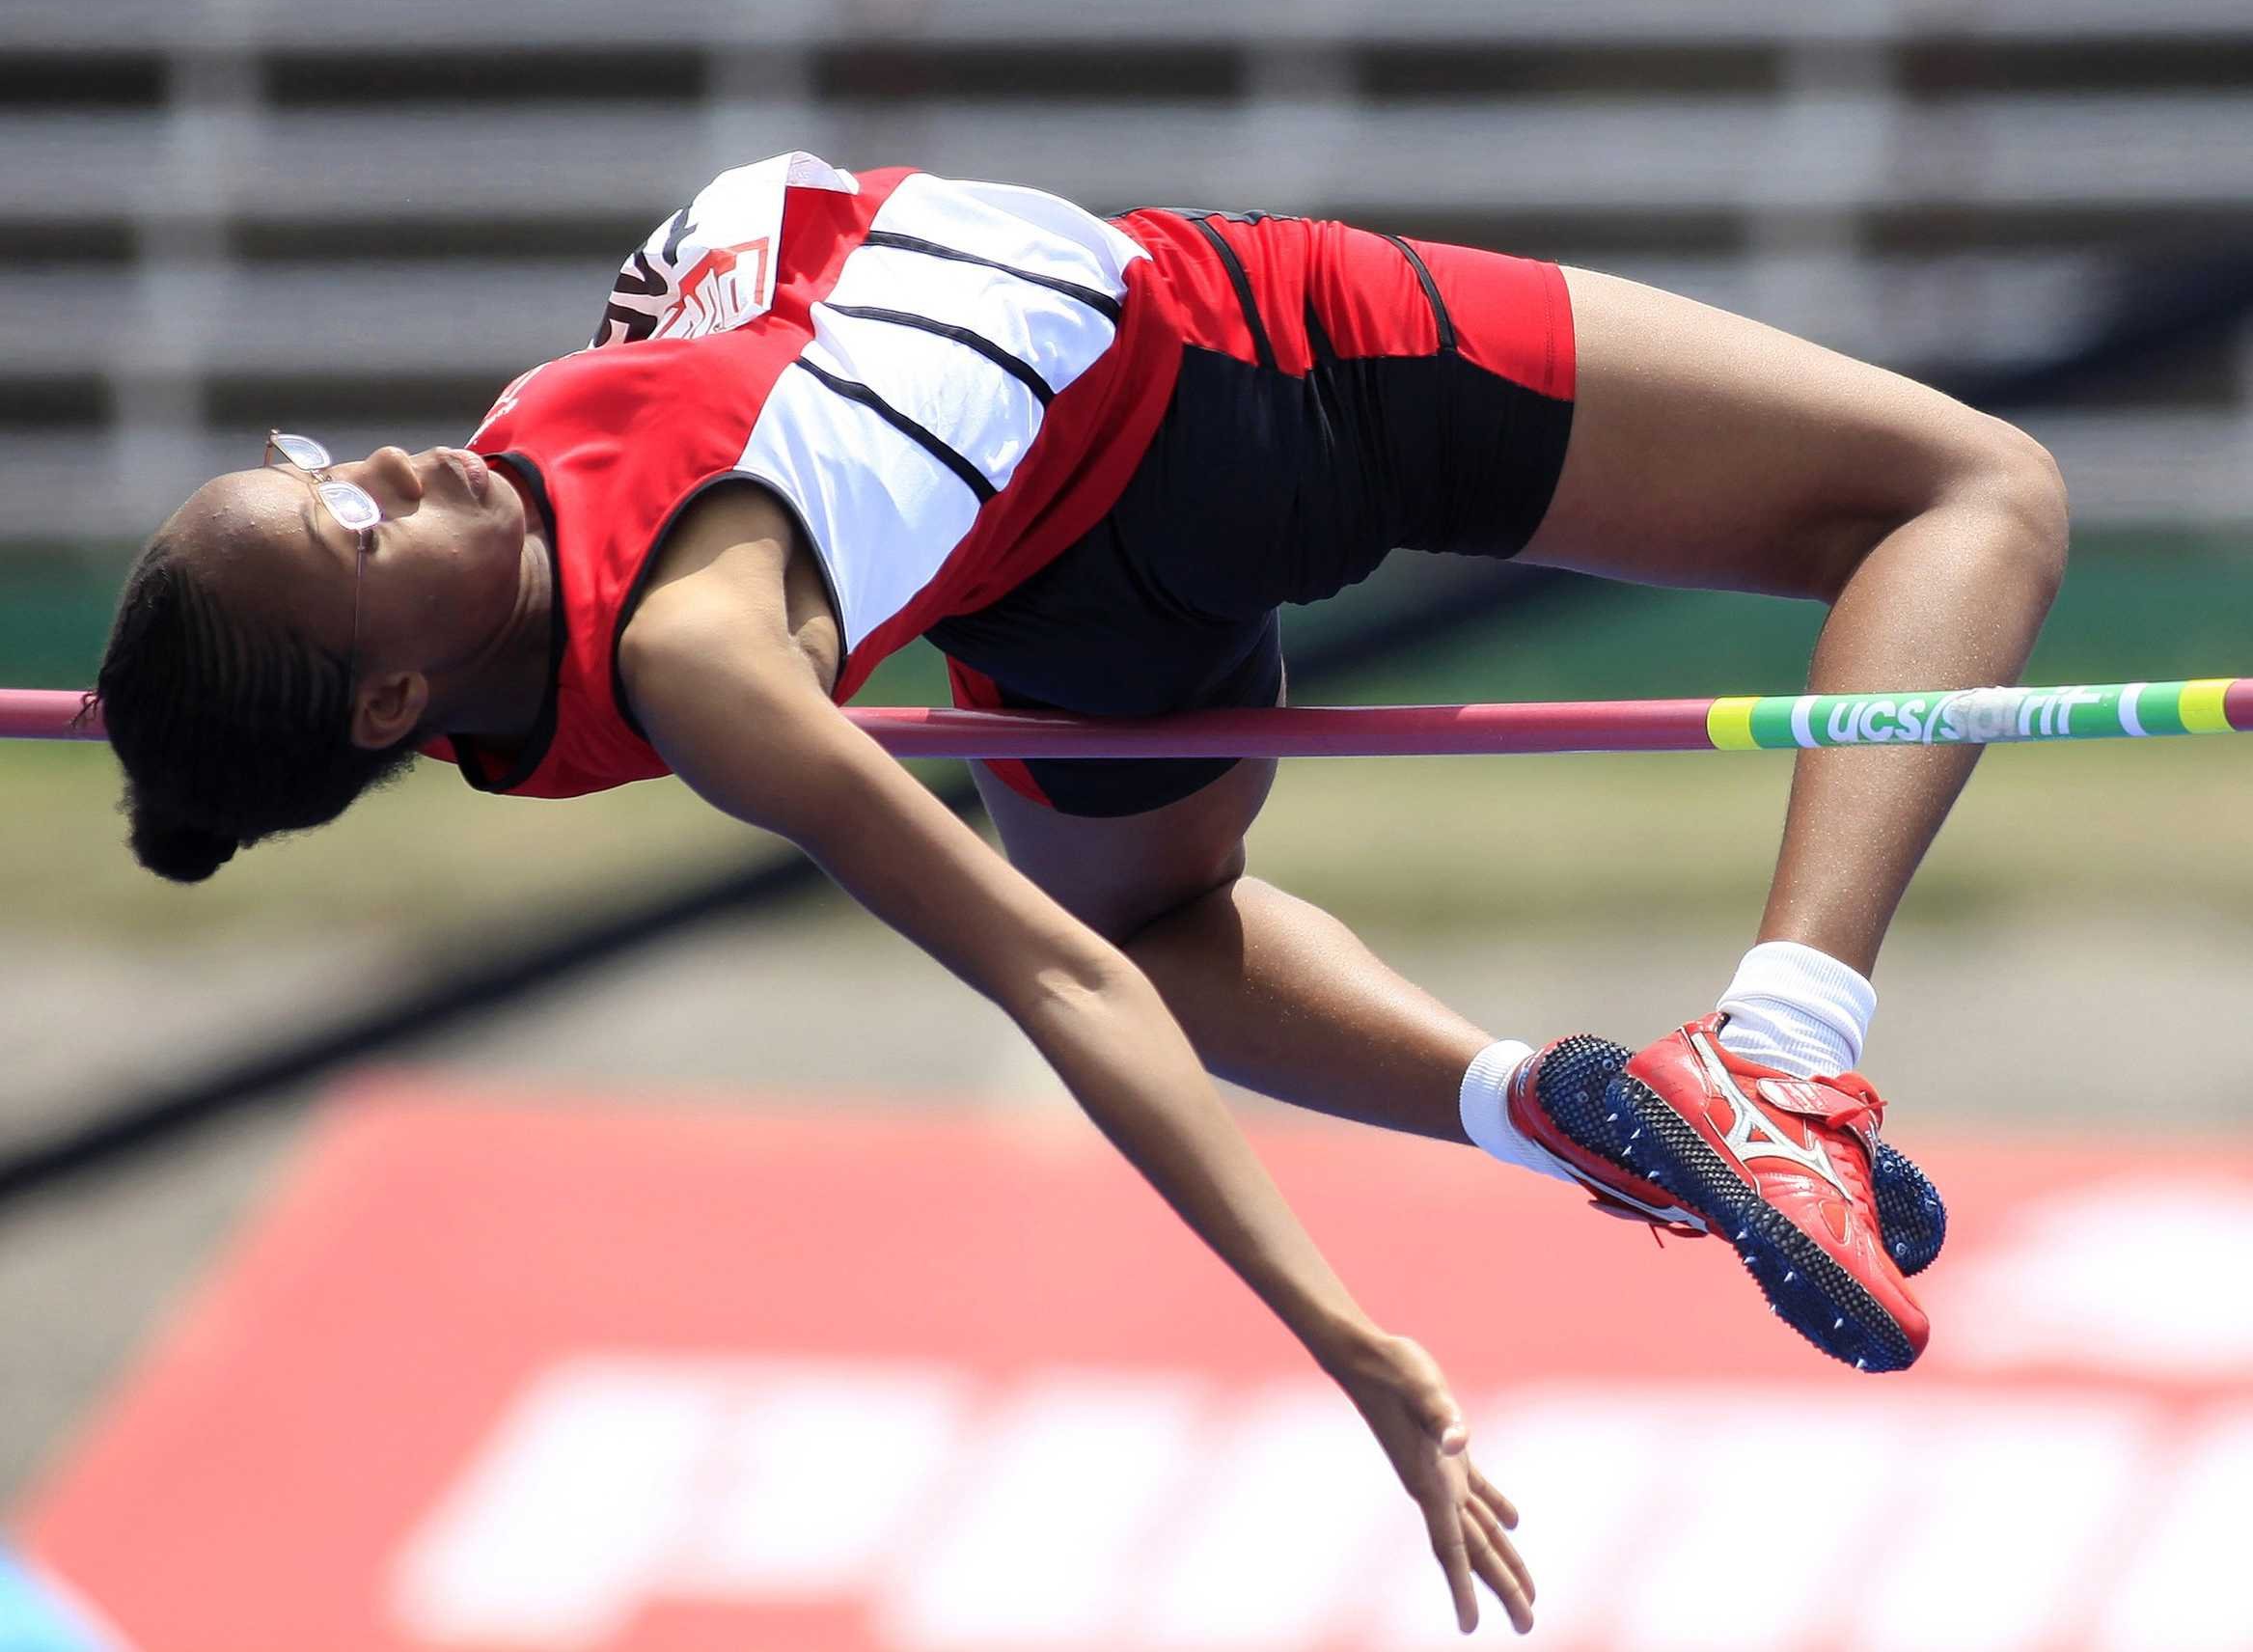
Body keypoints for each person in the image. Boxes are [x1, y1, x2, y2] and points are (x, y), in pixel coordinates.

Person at [90, 151, 2067, 1636]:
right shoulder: (695, 652)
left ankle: (1537, 1102)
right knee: (1965, 493)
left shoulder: (529, 685)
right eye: (345, 517)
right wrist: (1349, 1339)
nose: (390, 465)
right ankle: (1786, 1051)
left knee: (1153, 913)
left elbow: (1091, 959)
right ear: (387, 691)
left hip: (1059, 592)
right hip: (1254, 364)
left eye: (315, 456)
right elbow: (1051, 994)